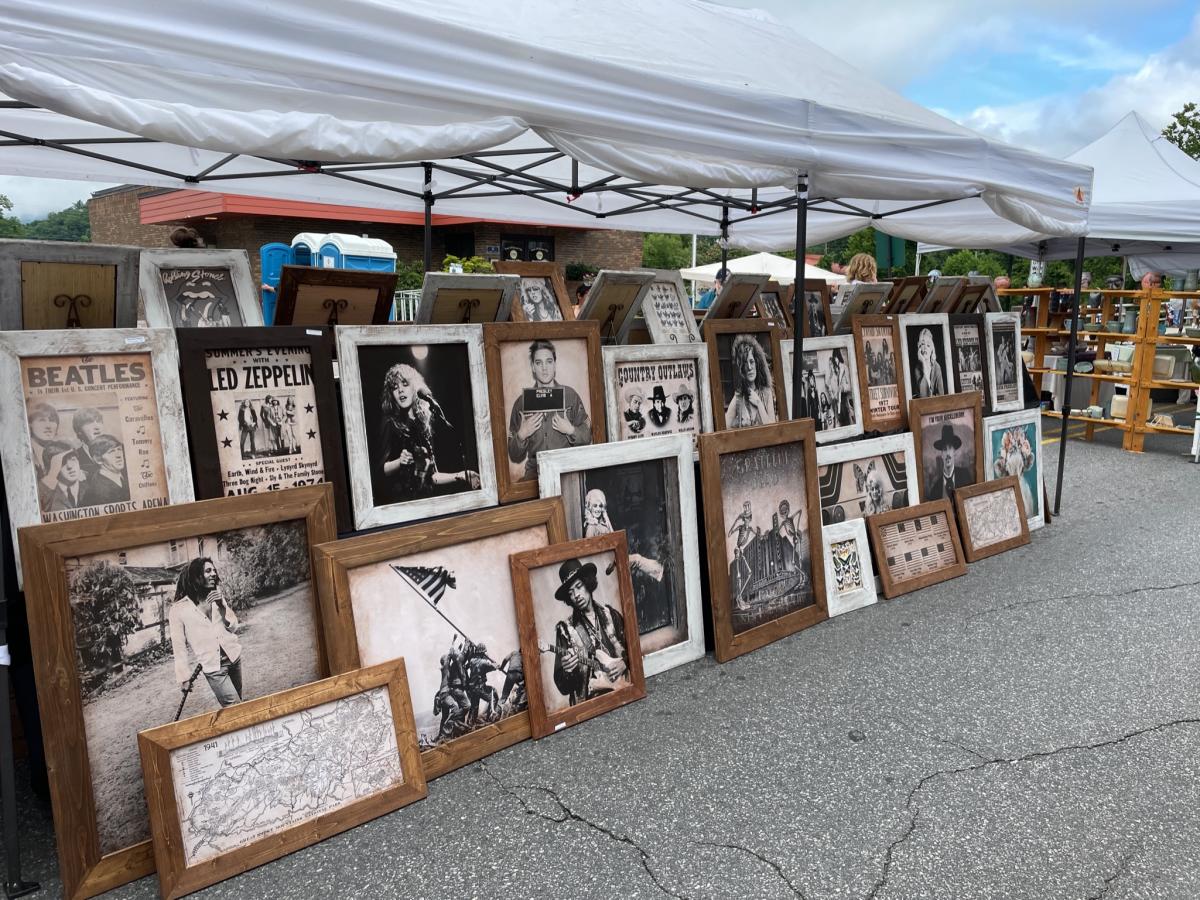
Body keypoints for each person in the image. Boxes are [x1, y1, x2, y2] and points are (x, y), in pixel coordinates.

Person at [377, 363, 479, 502]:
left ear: (415, 387)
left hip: (425, 500)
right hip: (402, 502)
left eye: (405, 384)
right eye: (395, 387)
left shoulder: (423, 426)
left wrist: (460, 475)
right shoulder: (390, 423)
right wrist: (400, 462)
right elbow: (379, 472)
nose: (400, 390)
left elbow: (432, 477)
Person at [507, 340, 591, 479]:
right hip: (535, 474)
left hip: (567, 470)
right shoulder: (521, 403)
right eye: (539, 363)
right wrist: (522, 434)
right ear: (533, 367)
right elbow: (514, 454)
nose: (544, 368)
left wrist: (570, 430)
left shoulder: (570, 396)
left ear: (555, 365)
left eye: (549, 362)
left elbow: (587, 435)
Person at [552, 557, 629, 705]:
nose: (576, 595)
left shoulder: (611, 615)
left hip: (621, 694)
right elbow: (563, 687)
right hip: (589, 705)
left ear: (587, 583)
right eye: (571, 593)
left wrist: (625, 662)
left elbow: (634, 649)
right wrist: (567, 671)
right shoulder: (565, 630)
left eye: (579, 586)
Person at [169, 557, 243, 708]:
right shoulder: (178, 609)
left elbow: (233, 627)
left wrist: (222, 607)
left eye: (214, 570)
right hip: (214, 668)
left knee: (239, 703)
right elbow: (179, 647)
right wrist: (184, 678)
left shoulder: (216, 596)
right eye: (208, 571)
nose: (214, 574)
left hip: (234, 658)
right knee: (235, 707)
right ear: (196, 576)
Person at [725, 333, 776, 427]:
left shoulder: (766, 393)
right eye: (745, 363)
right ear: (741, 368)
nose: (749, 367)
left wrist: (758, 403)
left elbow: (773, 428)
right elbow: (724, 426)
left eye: (751, 362)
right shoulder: (738, 397)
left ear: (757, 363)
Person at [80, 435, 129, 506]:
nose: (119, 455)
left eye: (119, 449)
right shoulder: (98, 491)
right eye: (111, 451)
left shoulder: (123, 476)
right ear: (98, 459)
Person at [926, 425, 970, 500]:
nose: (948, 454)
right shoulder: (935, 488)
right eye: (945, 449)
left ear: (954, 452)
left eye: (950, 448)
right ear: (942, 454)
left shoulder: (965, 476)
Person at [41, 443, 85, 512]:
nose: (70, 466)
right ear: (52, 468)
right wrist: (52, 475)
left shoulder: (91, 486)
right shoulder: (47, 494)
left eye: (73, 459)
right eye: (62, 462)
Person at [72, 407, 106, 479]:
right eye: (89, 422)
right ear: (79, 431)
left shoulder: (119, 450)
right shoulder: (74, 457)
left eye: (99, 421)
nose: (97, 427)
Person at [913, 327, 946, 398]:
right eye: (922, 344)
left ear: (932, 349)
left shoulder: (936, 367)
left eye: (928, 345)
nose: (925, 347)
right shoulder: (917, 368)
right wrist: (924, 364)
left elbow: (941, 395)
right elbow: (924, 396)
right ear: (919, 348)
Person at [828, 349, 853, 427]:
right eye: (834, 358)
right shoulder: (835, 371)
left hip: (844, 399)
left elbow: (850, 386)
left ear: (839, 356)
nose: (835, 359)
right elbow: (831, 385)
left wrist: (843, 388)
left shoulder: (844, 368)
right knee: (840, 421)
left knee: (847, 421)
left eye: (836, 357)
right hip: (838, 401)